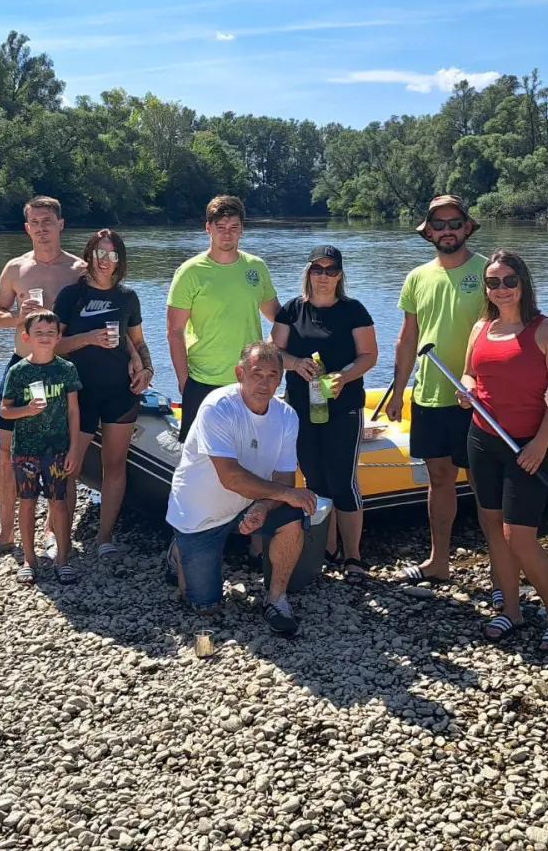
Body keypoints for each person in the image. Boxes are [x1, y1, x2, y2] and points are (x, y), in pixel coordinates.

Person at [460, 250, 548, 653]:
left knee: (520, 537)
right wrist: (468, 389)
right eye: (493, 282)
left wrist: (541, 444)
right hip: (482, 439)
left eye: (509, 280)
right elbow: (470, 373)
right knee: (492, 527)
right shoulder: (480, 329)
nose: (501, 289)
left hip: (528, 444)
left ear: (523, 283)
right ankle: (511, 609)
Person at [164, 343, 319, 636]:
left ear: (281, 379)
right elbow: (231, 477)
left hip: (247, 504)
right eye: (256, 373)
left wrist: (263, 507)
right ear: (240, 373)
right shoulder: (217, 407)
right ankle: (178, 550)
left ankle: (276, 599)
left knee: (292, 514)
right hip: (201, 512)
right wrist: (286, 494)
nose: (264, 383)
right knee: (204, 607)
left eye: (272, 376)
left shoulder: (287, 416)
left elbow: (284, 478)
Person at [0, 196, 88, 560]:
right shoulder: (16, 268)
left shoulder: (79, 270)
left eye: (48, 221)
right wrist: (15, 318)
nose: (42, 228)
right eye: (35, 222)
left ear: (61, 224)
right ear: (27, 228)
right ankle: (5, 531)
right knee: (7, 451)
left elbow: (106, 313)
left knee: (59, 453)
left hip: (63, 369)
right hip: (21, 369)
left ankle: (52, 531)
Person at [386, 195, 487, 584]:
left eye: (454, 222)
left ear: (466, 227)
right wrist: (398, 391)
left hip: (475, 398)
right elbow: (407, 339)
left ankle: (502, 569)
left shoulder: (487, 271)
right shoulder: (416, 277)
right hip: (429, 394)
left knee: (483, 484)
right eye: (439, 224)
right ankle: (438, 561)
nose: (447, 230)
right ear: (428, 232)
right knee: (440, 479)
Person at [271, 245, 377, 581]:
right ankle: (326, 548)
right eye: (317, 269)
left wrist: (343, 376)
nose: (324, 276)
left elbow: (369, 355)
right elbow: (274, 350)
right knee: (314, 479)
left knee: (343, 481)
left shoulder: (354, 311)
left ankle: (354, 555)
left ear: (340, 275)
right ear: (308, 273)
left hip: (343, 405)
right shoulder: (291, 310)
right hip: (301, 407)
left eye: (331, 270)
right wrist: (295, 363)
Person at [52, 229, 153, 562]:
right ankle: (59, 535)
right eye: (99, 253)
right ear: (89, 255)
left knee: (114, 465)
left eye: (112, 255)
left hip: (120, 393)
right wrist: (90, 338)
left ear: (119, 259)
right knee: (68, 466)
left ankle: (105, 537)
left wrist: (147, 371)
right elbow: (55, 346)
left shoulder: (128, 297)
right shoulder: (71, 296)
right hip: (78, 392)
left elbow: (138, 343)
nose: (105, 261)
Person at [166, 195, 280, 439]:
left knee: (250, 456)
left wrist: (270, 353)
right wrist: (184, 381)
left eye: (234, 228)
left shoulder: (256, 267)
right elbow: (175, 332)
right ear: (208, 228)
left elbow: (278, 318)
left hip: (249, 382)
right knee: (200, 464)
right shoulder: (190, 272)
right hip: (202, 381)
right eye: (220, 228)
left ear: (242, 230)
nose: (227, 234)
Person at [0, 310, 86, 584]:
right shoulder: (18, 371)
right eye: (39, 333)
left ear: (59, 336)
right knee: (27, 503)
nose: (45, 338)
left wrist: (73, 449)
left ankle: (62, 559)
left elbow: (73, 411)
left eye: (50, 333)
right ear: (27, 336)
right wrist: (26, 410)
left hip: (57, 450)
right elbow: (5, 411)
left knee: (58, 503)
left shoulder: (66, 369)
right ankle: (29, 559)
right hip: (25, 450)